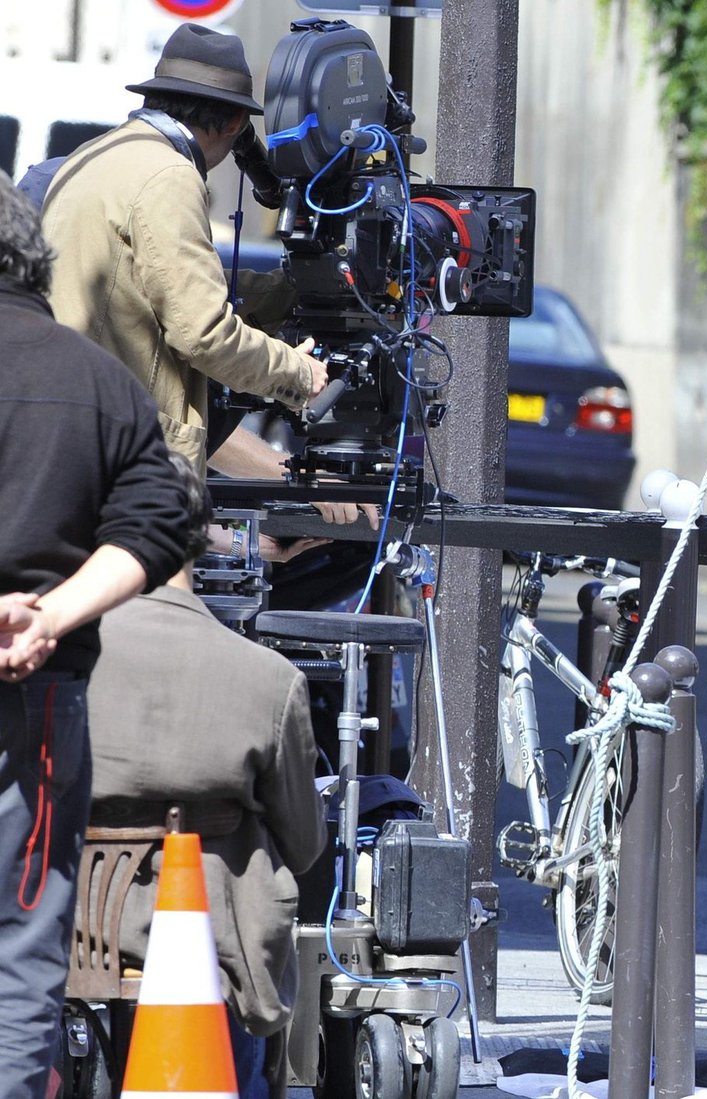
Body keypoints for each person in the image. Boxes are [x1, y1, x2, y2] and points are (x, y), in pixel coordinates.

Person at [0, 170, 188, 1099]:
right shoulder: (98, 382)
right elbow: (161, 522)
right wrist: (49, 616)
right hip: (36, 700)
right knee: (22, 951)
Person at [85, 455, 326, 1099]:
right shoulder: (271, 680)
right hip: (217, 952)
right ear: (203, 533)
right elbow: (303, 846)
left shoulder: (59, 661)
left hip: (78, 936)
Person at [37, 23, 326, 475]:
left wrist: (289, 292)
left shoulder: (97, 155)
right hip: (123, 455)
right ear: (234, 123)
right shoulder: (169, 175)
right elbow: (204, 333)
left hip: (70, 427)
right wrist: (299, 374)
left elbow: (152, 282)